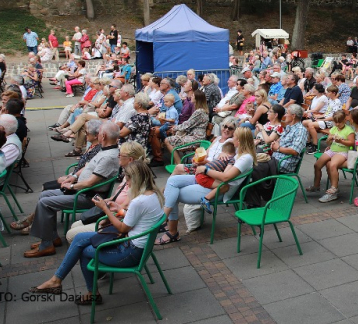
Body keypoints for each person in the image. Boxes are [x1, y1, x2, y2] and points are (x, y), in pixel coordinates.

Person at [28, 161, 163, 306]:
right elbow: (136, 218)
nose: (126, 183)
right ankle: (57, 281)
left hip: (130, 252)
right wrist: (118, 208)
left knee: (84, 251)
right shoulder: (154, 194)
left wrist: (105, 209)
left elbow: (123, 228)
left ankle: (89, 292)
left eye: (128, 179)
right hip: (138, 248)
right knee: (79, 238)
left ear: (136, 179)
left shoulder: (138, 201)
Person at [25, 122, 121, 257]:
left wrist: (71, 186)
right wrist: (73, 176)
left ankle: (46, 245)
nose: (97, 135)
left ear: (103, 136)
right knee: (44, 195)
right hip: (80, 191)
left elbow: (90, 183)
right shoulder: (105, 149)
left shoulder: (108, 157)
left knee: (45, 203)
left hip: (87, 196)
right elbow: (88, 166)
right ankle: (51, 238)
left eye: (98, 133)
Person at [157, 128, 256, 245]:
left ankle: (168, 227)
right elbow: (226, 159)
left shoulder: (245, 158)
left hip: (219, 190)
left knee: (173, 193)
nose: (232, 138)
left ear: (239, 140)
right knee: (172, 181)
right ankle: (165, 221)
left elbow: (225, 177)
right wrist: (222, 154)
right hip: (212, 181)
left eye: (234, 136)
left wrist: (205, 170)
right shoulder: (239, 153)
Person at [309, 111, 354, 203]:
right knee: (317, 165)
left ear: (344, 121)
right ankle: (316, 185)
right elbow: (328, 142)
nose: (337, 124)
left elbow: (351, 143)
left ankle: (334, 188)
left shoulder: (349, 130)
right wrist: (329, 140)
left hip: (343, 151)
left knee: (332, 165)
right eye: (335, 122)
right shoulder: (334, 128)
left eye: (339, 122)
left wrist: (341, 141)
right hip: (332, 150)